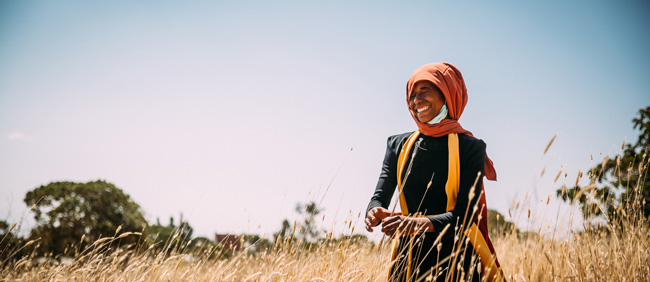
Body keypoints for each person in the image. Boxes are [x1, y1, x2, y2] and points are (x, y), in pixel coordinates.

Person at [364, 63, 505, 282]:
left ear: (447, 94)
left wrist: (414, 224)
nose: (416, 100)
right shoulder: (397, 145)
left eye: (424, 91)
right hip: (408, 259)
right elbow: (378, 198)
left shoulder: (470, 148)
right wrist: (374, 212)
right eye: (412, 94)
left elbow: (465, 216)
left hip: (458, 260)